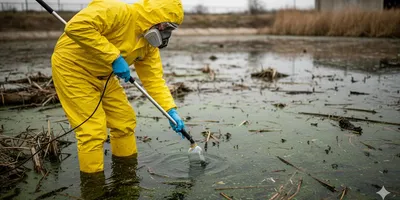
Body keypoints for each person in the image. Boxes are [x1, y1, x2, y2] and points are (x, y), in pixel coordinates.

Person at [51, 0, 186, 174]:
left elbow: (154, 80)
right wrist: (113, 57)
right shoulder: (117, 11)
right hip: (72, 70)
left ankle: (125, 174)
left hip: (104, 76)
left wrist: (170, 110)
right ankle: (93, 185)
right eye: (167, 26)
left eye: (171, 29)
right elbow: (76, 26)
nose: (166, 32)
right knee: (92, 131)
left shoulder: (148, 46)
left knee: (124, 121)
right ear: (156, 18)